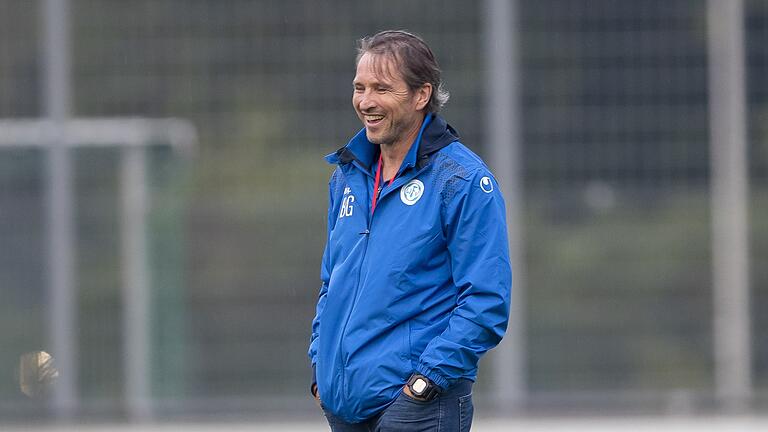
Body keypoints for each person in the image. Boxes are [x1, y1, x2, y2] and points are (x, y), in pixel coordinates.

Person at [308, 30, 512, 432]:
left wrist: (426, 383)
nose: (366, 102)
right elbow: (332, 283)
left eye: (382, 89)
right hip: (344, 405)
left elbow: (486, 300)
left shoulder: (462, 181)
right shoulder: (346, 177)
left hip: (417, 406)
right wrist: (322, 369)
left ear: (421, 96)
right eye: (360, 87)